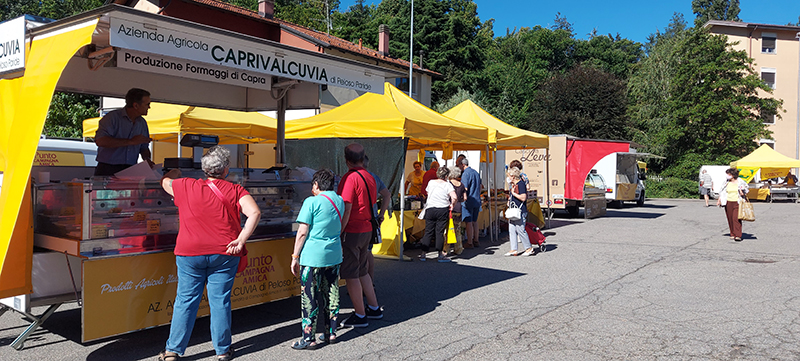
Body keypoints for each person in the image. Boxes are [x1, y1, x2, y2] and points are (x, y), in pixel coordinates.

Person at [157, 146, 261, 361]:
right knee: (220, 301)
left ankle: (172, 351)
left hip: (189, 253)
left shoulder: (185, 185)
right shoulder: (235, 190)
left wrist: (175, 171)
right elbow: (254, 213)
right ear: (226, 170)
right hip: (225, 252)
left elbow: (165, 182)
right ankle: (222, 351)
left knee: (185, 301)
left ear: (204, 169)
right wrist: (241, 240)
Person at [290, 169, 345, 350]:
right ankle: (331, 332)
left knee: (309, 297)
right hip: (334, 254)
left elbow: (302, 231)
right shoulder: (339, 200)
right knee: (331, 294)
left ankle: (309, 338)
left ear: (316, 185)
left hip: (313, 257)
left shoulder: (311, 202)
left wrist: (295, 256)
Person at [337, 143, 383, 328]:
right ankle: (373, 307)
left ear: (346, 160)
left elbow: (346, 207)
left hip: (353, 230)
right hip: (367, 228)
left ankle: (360, 314)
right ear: (363, 158)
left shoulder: (349, 179)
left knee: (351, 274)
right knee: (363, 270)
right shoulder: (369, 177)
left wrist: (339, 230)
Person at [94, 88, 154, 176]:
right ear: (136, 105)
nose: (149, 107)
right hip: (108, 168)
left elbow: (144, 147)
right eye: (147, 104)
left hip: (130, 169)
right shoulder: (112, 118)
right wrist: (131, 141)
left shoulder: (142, 123)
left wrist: (147, 159)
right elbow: (100, 141)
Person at [419, 166, 457, 262]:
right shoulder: (447, 184)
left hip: (430, 208)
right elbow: (454, 197)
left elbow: (427, 192)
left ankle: (423, 254)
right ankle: (440, 254)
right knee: (439, 232)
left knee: (428, 231)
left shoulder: (431, 182)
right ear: (446, 176)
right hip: (442, 208)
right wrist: (452, 204)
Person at [363, 155, 392, 282]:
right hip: (373, 217)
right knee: (368, 252)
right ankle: (370, 282)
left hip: (360, 219)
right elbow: (387, 195)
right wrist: (382, 213)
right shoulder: (374, 177)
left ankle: (362, 284)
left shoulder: (353, 177)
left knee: (361, 253)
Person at [504, 167, 535, 256]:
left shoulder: (521, 184)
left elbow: (523, 197)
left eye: (509, 176)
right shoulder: (513, 185)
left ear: (513, 176)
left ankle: (528, 248)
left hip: (520, 210)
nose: (508, 178)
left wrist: (514, 194)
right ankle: (513, 249)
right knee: (512, 229)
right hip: (513, 209)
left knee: (520, 229)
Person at [716, 168, 748, 242]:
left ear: (733, 175)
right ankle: (732, 233)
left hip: (737, 202)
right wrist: (719, 200)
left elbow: (746, 189)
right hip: (728, 202)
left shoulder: (740, 181)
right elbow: (722, 191)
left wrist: (742, 192)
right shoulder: (726, 182)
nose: (727, 176)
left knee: (736, 218)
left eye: (729, 174)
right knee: (730, 218)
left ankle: (738, 235)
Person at [457, 155, 482, 248]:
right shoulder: (475, 172)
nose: (458, 168)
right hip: (477, 199)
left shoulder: (465, 174)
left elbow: (465, 188)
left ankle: (470, 242)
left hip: (469, 200)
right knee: (475, 221)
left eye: (459, 165)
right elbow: (480, 186)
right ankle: (476, 240)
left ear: (463, 164)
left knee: (469, 222)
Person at [443, 166, 467, 254]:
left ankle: (447, 249)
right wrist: (459, 200)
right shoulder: (461, 185)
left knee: (448, 229)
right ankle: (459, 248)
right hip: (459, 208)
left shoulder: (448, 184)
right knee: (457, 229)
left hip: (450, 208)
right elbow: (465, 198)